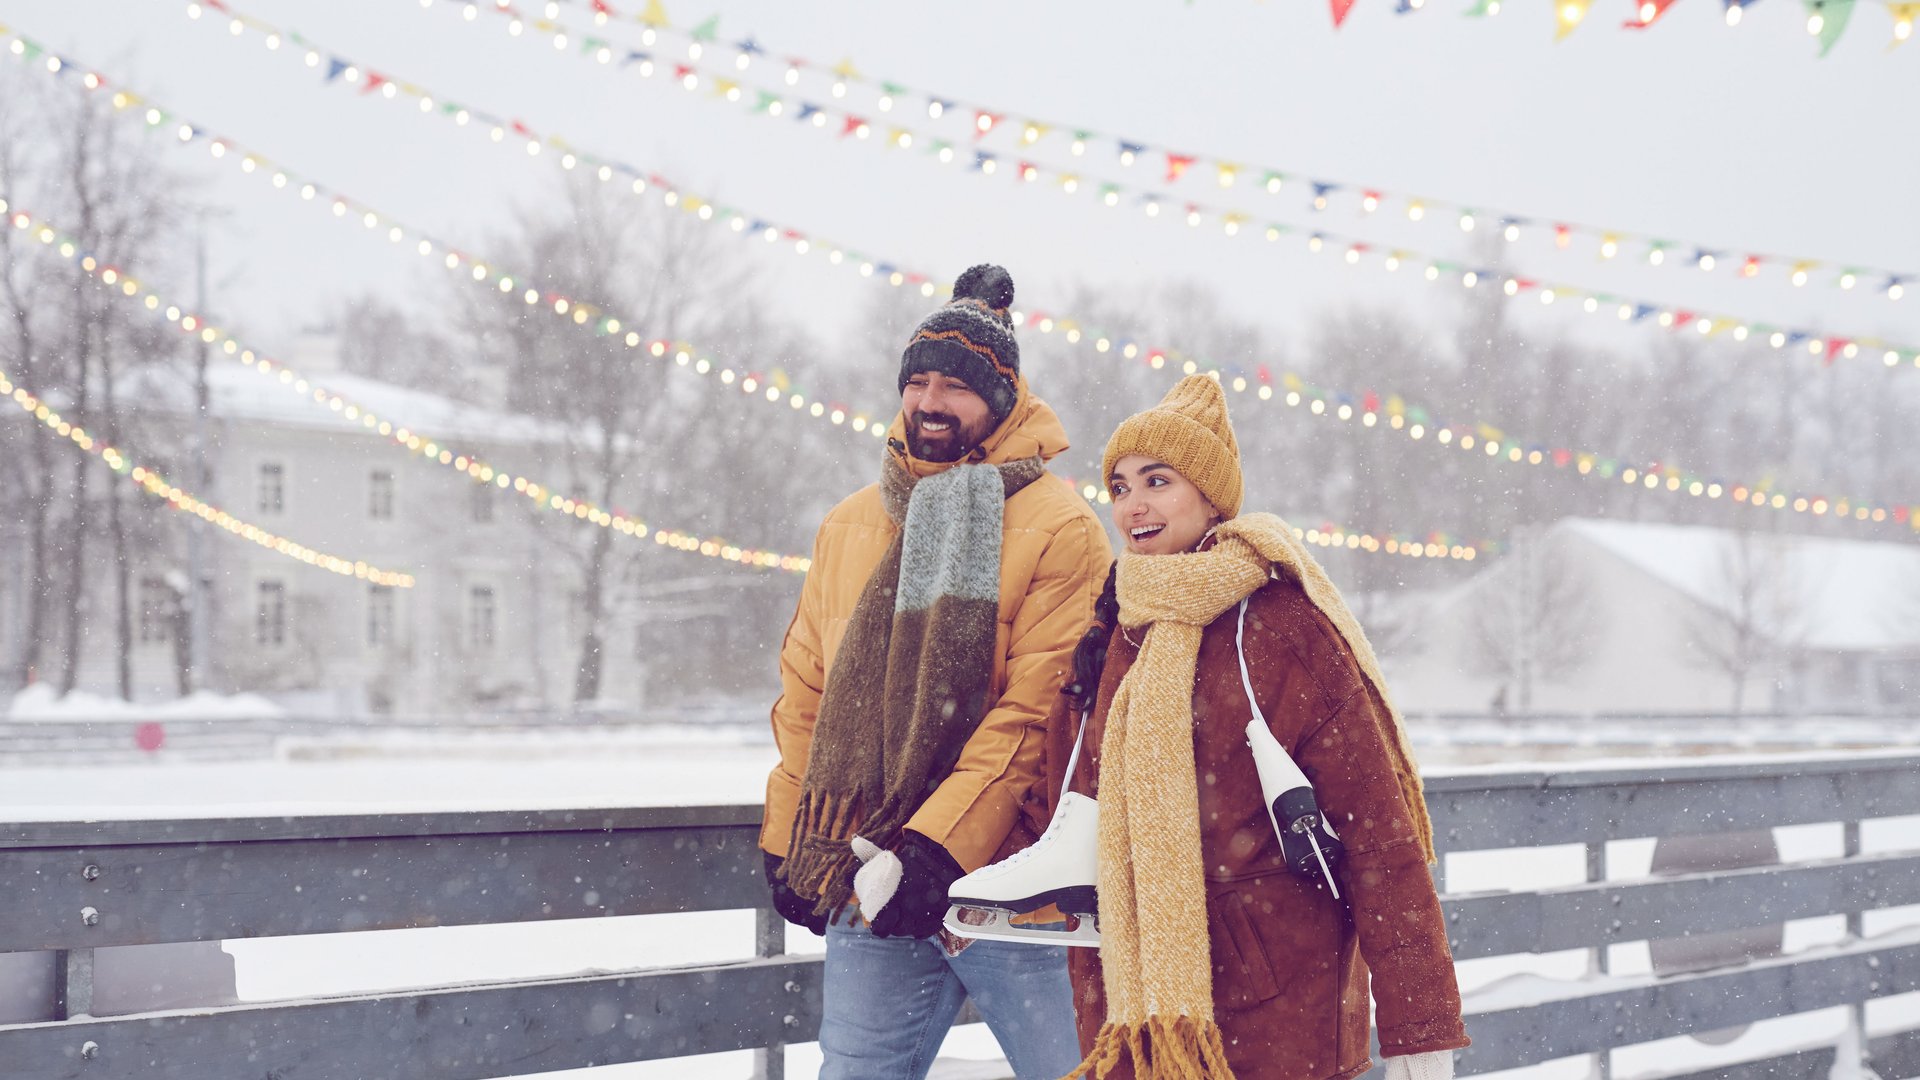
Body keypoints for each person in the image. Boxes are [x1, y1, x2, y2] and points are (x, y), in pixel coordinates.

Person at [1056, 374, 1469, 1080]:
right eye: (1119, 486)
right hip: (1141, 1017)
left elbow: (1378, 831)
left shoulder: (1280, 628)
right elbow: (1077, 806)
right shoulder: (1122, 629)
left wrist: (1420, 1028)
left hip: (1281, 1015)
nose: (1133, 505)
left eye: (1157, 481)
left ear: (1211, 495)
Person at [759, 264, 1112, 1080]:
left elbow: (1037, 711)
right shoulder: (850, 524)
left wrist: (937, 849)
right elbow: (807, 693)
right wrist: (790, 838)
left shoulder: (1063, 529)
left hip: (1015, 884)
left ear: (1003, 398)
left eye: (955, 385)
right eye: (917, 382)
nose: (930, 401)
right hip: (870, 867)